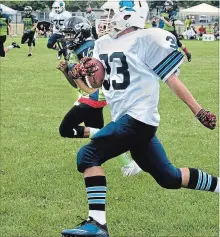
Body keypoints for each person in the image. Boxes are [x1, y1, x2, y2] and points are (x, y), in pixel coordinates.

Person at [61, 1, 218, 237]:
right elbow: (97, 85)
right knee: (169, 177)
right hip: (126, 119)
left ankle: (98, 224)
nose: (106, 18)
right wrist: (79, 75)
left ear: (128, 15)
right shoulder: (102, 42)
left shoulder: (146, 39)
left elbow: (171, 79)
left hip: (140, 118)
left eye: (111, 13)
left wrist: (198, 110)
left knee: (88, 155)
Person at [56, 16, 140, 176]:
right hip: (91, 95)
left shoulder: (89, 49)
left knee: (65, 129)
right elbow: (76, 83)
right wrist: (66, 72)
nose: (67, 38)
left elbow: (92, 86)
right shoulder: (78, 50)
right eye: (66, 34)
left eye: (70, 34)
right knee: (99, 136)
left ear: (82, 32)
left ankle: (120, 146)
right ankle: (129, 165)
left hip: (94, 96)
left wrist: (78, 80)